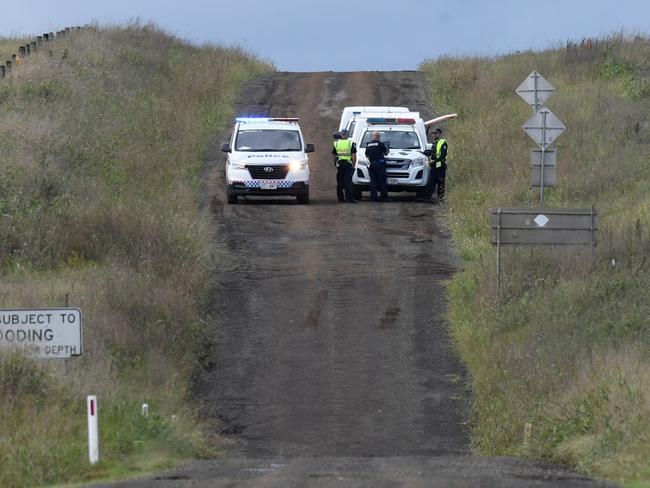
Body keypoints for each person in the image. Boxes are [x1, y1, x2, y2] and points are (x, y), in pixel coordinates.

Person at [420, 128, 448, 203]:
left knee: (440, 182)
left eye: (436, 133)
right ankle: (427, 197)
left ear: (440, 134)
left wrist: (434, 161)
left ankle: (440, 199)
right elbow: (432, 153)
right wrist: (422, 153)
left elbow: (443, 155)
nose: (434, 135)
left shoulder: (443, 142)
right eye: (433, 134)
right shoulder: (435, 143)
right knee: (431, 182)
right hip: (434, 166)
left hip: (440, 166)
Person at [332, 129, 357, 203]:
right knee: (348, 182)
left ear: (341, 135)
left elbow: (334, 155)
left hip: (340, 164)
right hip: (348, 164)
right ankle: (349, 198)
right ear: (347, 134)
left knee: (339, 182)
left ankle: (340, 199)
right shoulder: (350, 143)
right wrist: (353, 164)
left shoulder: (337, 143)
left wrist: (335, 163)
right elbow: (354, 155)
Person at [365, 131, 390, 202]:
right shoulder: (381, 144)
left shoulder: (368, 145)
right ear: (378, 136)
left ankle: (373, 198)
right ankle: (384, 198)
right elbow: (386, 153)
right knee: (382, 182)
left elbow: (366, 155)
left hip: (371, 165)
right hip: (380, 165)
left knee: (373, 182)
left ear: (373, 136)